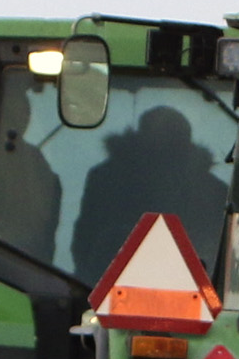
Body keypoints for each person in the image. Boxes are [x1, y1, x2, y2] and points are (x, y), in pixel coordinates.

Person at [70, 102, 229, 282]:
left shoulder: (212, 192)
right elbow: (85, 245)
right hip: (108, 294)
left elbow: (83, 244)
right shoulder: (106, 180)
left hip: (182, 299)